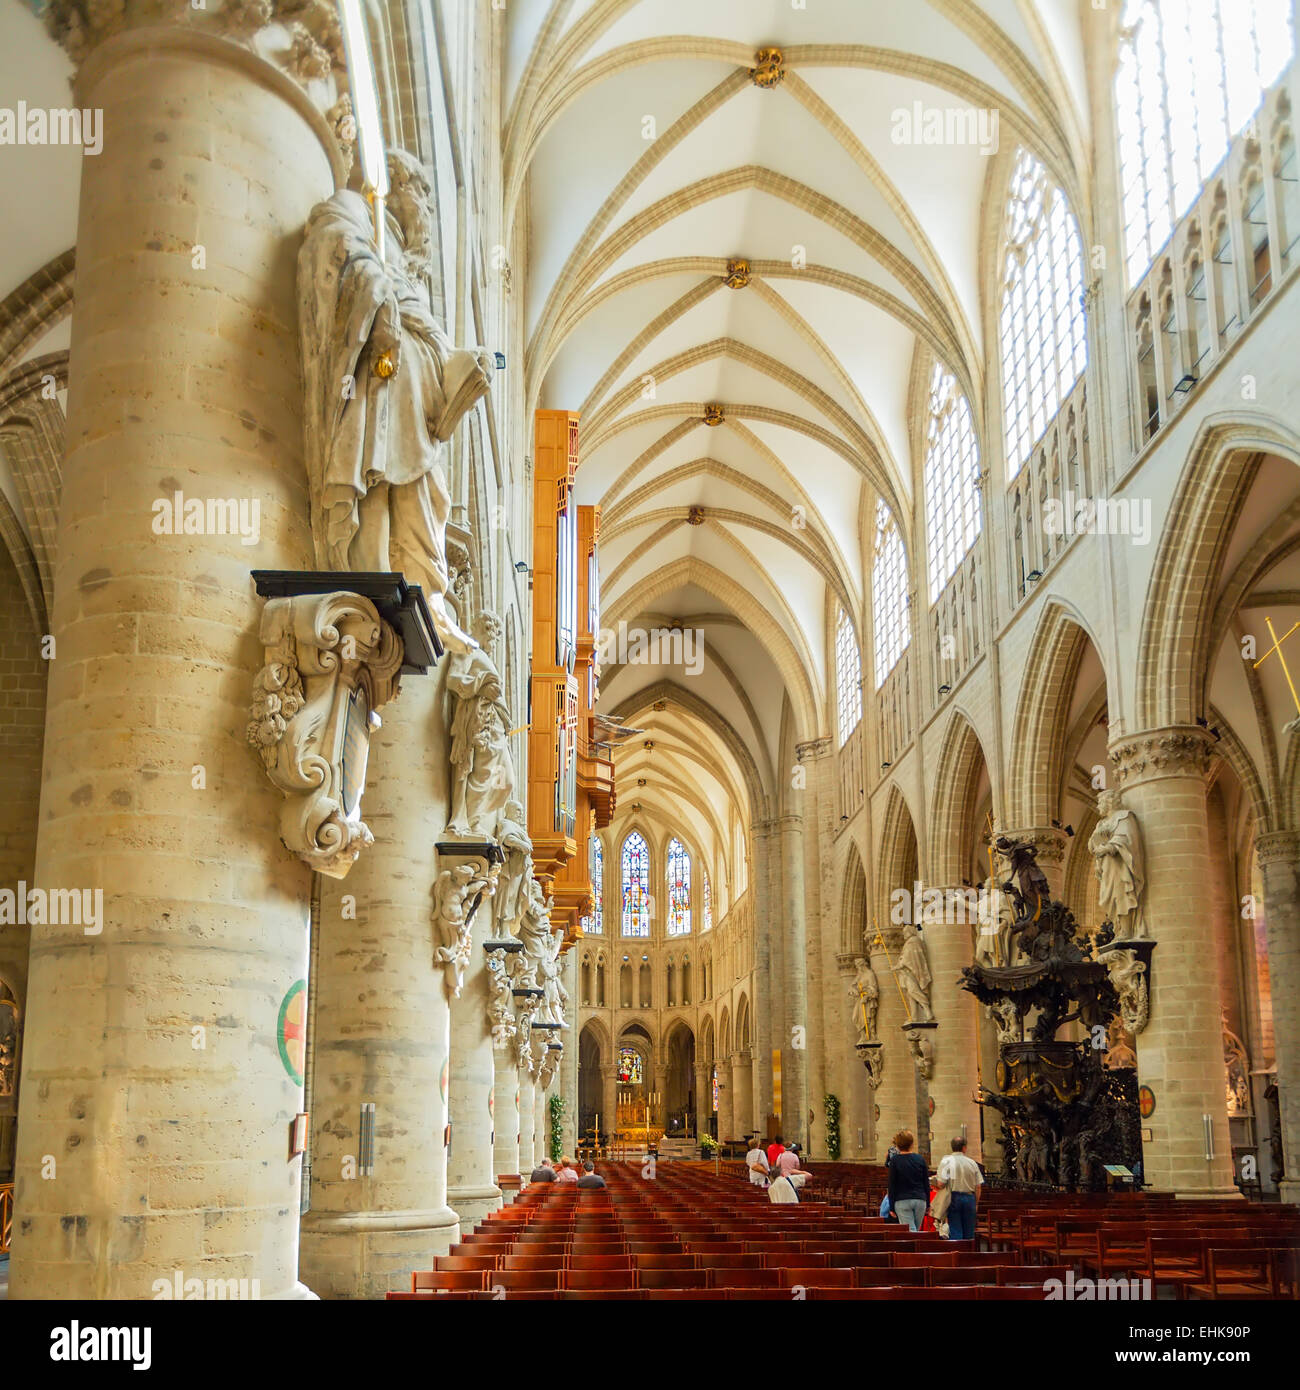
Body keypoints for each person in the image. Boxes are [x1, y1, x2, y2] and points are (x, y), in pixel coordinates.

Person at [934, 1136, 984, 1241]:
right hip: (969, 1198)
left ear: (952, 1147)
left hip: (954, 1198)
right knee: (969, 1232)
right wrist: (976, 1203)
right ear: (964, 1148)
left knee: (955, 1230)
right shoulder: (972, 1163)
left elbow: (941, 1183)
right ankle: (968, 1254)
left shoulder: (946, 1161)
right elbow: (978, 1186)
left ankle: (958, 1254)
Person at [885, 1130, 930, 1232]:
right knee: (915, 1230)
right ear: (912, 1144)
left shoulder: (895, 1161)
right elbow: (926, 1183)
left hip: (902, 1200)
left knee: (910, 1231)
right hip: (920, 1200)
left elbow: (892, 1185)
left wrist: (891, 1206)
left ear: (898, 1145)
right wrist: (927, 1203)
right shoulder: (920, 1159)